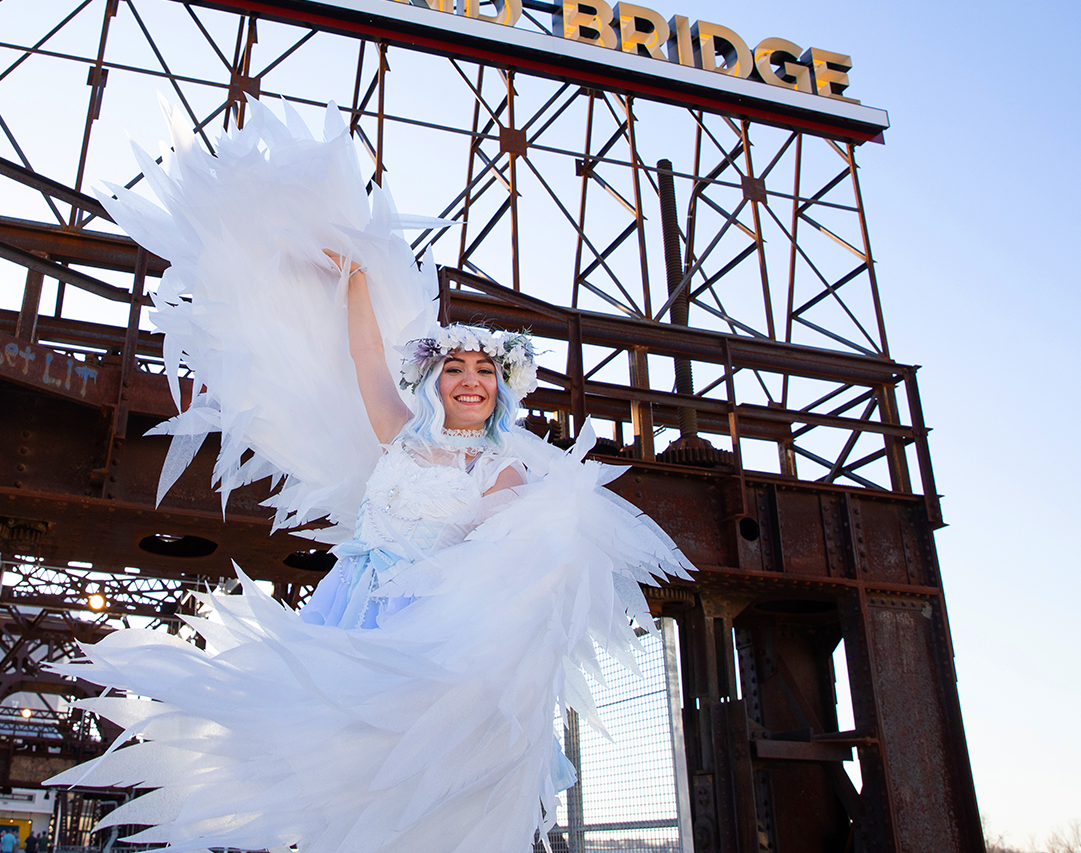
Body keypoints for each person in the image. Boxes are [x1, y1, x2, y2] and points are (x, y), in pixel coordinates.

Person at [46, 100, 691, 853]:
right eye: (456, 370)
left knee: (399, 779)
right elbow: (363, 359)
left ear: (500, 390)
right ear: (438, 383)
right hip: (348, 602)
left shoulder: (501, 467)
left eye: (485, 372)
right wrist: (354, 277)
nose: (470, 382)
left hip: (418, 627)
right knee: (326, 767)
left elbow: (510, 565)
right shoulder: (401, 435)